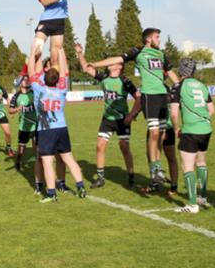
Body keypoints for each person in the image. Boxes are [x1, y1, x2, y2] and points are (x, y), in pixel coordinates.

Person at [88, 28, 180, 194]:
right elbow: (117, 58)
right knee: (153, 133)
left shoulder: (161, 54)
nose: (159, 39)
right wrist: (96, 64)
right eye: (157, 37)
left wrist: (182, 86)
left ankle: (158, 172)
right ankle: (155, 169)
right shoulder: (139, 51)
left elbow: (172, 74)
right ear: (148, 39)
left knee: (159, 134)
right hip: (149, 96)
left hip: (162, 96)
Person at [76, 44, 141, 189]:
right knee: (100, 146)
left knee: (124, 147)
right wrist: (80, 54)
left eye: (113, 62)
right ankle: (100, 178)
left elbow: (139, 98)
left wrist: (131, 115)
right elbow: (86, 68)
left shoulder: (125, 81)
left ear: (119, 66)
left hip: (122, 119)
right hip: (107, 119)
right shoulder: (104, 77)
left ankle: (131, 176)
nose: (110, 64)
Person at [28, 45, 87, 202]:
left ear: (45, 77)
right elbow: (65, 70)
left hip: (46, 130)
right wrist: (61, 50)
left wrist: (34, 52)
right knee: (68, 158)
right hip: (61, 127)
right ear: (58, 78)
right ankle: (81, 186)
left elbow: (31, 71)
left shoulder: (39, 88)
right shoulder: (62, 88)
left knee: (47, 162)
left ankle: (52, 194)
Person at [170, 59, 215, 213]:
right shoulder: (202, 85)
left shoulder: (178, 86)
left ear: (180, 71)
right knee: (201, 163)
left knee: (187, 166)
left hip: (190, 130)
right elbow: (212, 110)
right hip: (206, 129)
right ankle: (202, 198)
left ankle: (191, 204)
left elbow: (174, 113)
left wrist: (177, 128)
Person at [8, 74, 46, 193]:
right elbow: (10, 110)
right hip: (23, 127)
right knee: (21, 151)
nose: (26, 81)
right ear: (20, 83)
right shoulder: (17, 96)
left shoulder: (34, 93)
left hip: (35, 125)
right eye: (24, 80)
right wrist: (17, 109)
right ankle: (18, 163)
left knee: (37, 150)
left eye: (27, 79)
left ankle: (39, 167)